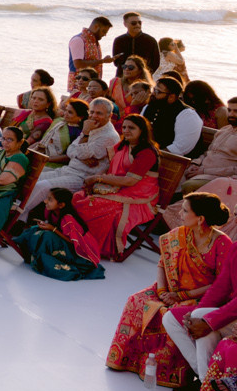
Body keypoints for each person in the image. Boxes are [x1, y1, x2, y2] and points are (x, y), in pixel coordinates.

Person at [108, 193, 230, 388]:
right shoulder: (178, 235)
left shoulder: (222, 244)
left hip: (201, 297)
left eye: (185, 210)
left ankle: (178, 374)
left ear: (200, 219)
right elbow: (162, 265)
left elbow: (221, 284)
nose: (180, 213)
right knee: (136, 300)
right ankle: (128, 360)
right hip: (169, 287)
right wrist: (163, 290)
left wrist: (181, 296)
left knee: (174, 314)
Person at [163, 197, 237, 391]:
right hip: (231, 313)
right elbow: (222, 286)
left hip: (233, 313)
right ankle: (205, 383)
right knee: (171, 318)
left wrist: (209, 319)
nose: (235, 221)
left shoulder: (224, 242)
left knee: (204, 318)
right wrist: (195, 315)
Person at [70, 114, 161, 261]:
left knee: (91, 205)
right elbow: (109, 168)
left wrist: (97, 178)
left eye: (131, 128)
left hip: (138, 197)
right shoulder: (123, 145)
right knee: (77, 197)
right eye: (124, 127)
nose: (126, 130)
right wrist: (96, 180)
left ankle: (92, 246)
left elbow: (130, 181)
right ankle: (75, 239)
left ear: (142, 130)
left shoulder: (146, 152)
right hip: (117, 188)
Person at [24, 96, 118, 214]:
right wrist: (80, 154)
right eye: (92, 112)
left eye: (99, 113)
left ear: (109, 116)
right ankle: (22, 216)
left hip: (82, 177)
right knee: (30, 178)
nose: (94, 116)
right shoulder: (92, 126)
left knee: (41, 186)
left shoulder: (109, 136)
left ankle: (18, 215)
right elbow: (71, 150)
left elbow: (80, 152)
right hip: (69, 169)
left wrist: (85, 134)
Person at [145, 76, 202, 156]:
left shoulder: (187, 115)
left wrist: (152, 156)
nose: (153, 94)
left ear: (171, 97)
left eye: (158, 91)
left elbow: (179, 148)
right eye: (153, 90)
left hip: (173, 162)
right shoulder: (149, 107)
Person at [112, 13, 160, 84]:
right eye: (133, 23)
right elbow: (116, 62)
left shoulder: (150, 40)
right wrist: (127, 71)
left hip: (143, 80)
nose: (137, 25)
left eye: (139, 22)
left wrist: (144, 74)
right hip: (122, 78)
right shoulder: (119, 40)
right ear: (125, 24)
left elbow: (156, 62)